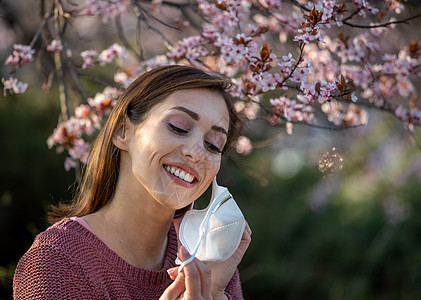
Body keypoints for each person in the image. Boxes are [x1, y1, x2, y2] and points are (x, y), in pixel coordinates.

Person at [13, 65, 251, 299]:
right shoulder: (57, 262)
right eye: (178, 127)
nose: (197, 152)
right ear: (122, 131)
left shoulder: (211, 257)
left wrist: (213, 293)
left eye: (213, 145)